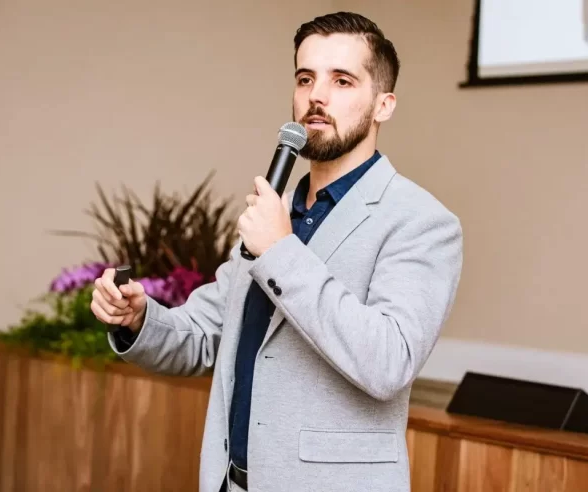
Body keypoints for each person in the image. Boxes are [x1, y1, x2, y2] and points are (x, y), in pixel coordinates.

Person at [91, 11, 463, 492]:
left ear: (383, 105)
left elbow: (389, 362)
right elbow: (207, 335)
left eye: (342, 80)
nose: (316, 96)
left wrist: (281, 250)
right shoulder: (277, 209)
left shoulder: (421, 221)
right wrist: (139, 319)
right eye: (305, 78)